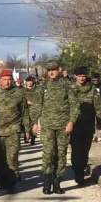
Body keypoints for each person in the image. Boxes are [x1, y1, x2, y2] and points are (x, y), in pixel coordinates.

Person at [33, 60, 80, 194]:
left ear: (59, 69)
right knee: (48, 153)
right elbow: (36, 105)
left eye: (53, 69)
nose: (51, 72)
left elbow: (74, 105)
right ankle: (47, 181)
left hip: (63, 126)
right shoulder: (42, 86)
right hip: (47, 125)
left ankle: (57, 181)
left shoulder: (67, 85)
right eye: (49, 70)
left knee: (61, 153)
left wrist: (71, 122)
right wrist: (34, 122)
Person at [0, 70, 30, 192]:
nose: (7, 82)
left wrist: (27, 129)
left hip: (14, 130)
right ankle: (3, 177)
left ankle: (11, 182)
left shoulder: (19, 93)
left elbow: (24, 112)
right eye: (4, 80)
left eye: (9, 79)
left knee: (12, 157)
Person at [69, 66, 101, 185]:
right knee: (76, 148)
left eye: (83, 76)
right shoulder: (70, 88)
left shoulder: (92, 89)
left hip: (88, 123)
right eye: (79, 76)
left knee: (85, 148)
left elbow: (98, 106)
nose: (81, 79)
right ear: (75, 76)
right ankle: (78, 171)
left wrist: (100, 121)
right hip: (74, 123)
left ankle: (82, 167)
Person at [23, 75, 39, 145]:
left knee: (34, 124)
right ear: (26, 82)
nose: (29, 83)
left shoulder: (36, 90)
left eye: (31, 81)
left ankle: (33, 138)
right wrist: (26, 102)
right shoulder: (23, 91)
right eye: (28, 81)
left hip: (34, 110)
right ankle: (26, 136)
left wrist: (34, 103)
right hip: (25, 110)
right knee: (26, 123)